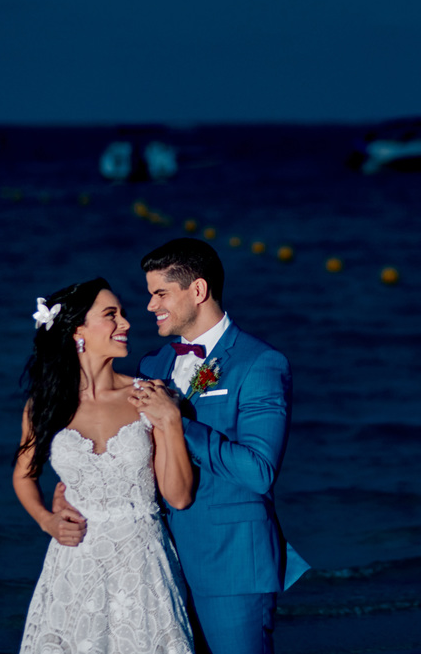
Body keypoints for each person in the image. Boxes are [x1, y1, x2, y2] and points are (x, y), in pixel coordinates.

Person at [55, 239, 308, 654]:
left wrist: (179, 423)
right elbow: (125, 443)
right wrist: (73, 486)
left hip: (230, 564)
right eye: (150, 294)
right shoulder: (154, 364)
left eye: (160, 293)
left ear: (198, 291)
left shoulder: (260, 363)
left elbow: (258, 471)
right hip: (153, 563)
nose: (150, 306)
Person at [13, 276, 196, 654]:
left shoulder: (148, 395)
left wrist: (171, 421)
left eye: (123, 314)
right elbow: (23, 475)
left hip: (141, 563)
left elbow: (177, 496)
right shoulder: (45, 404)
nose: (126, 324)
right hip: (74, 564)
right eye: (111, 315)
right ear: (78, 330)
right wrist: (47, 520)